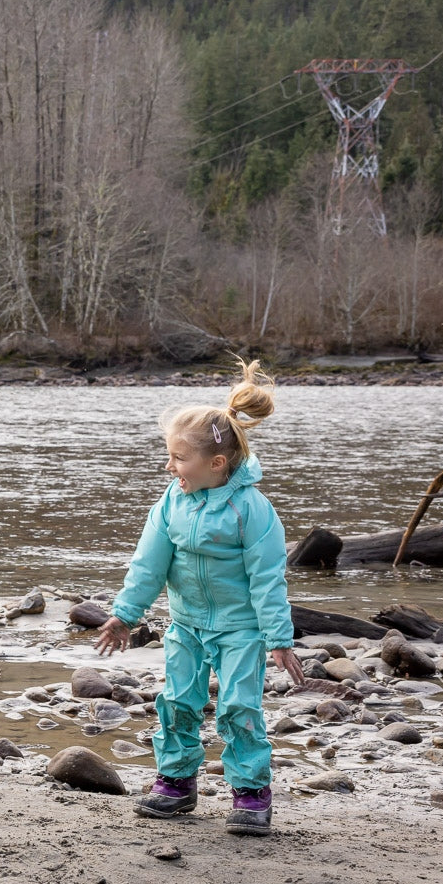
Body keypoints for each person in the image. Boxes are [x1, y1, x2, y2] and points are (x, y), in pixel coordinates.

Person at [94, 358, 306, 836]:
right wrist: (125, 614)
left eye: (178, 458)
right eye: (169, 456)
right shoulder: (171, 501)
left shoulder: (251, 509)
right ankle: (176, 781)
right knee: (177, 700)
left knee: (238, 706)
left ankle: (251, 793)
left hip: (241, 628)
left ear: (216, 464)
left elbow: (268, 579)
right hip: (186, 623)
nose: (170, 466)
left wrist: (278, 638)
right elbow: (149, 564)